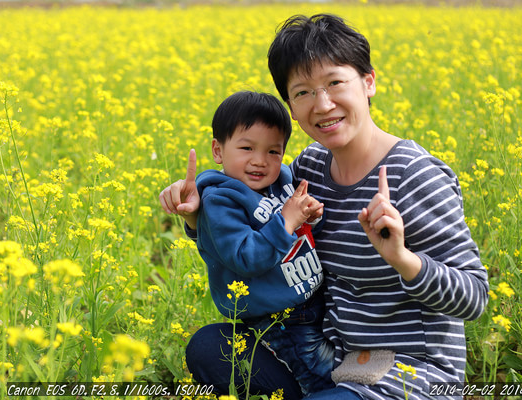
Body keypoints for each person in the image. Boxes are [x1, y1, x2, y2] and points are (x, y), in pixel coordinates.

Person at [160, 14, 489, 400]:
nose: (323, 104)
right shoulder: (309, 169)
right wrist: (200, 212)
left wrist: (402, 259)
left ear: (369, 82)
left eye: (335, 83)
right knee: (209, 347)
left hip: (408, 369)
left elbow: (475, 297)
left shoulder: (415, 176)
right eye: (303, 93)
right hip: (328, 357)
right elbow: (256, 225)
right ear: (292, 110)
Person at [171, 90, 334, 396]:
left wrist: (309, 217)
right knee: (319, 373)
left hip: (314, 301)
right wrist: (286, 220)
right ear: (218, 151)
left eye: (274, 151)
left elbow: (302, 234)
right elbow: (247, 257)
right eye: (247, 148)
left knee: (332, 358)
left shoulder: (282, 179)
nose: (260, 161)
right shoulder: (221, 200)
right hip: (280, 319)